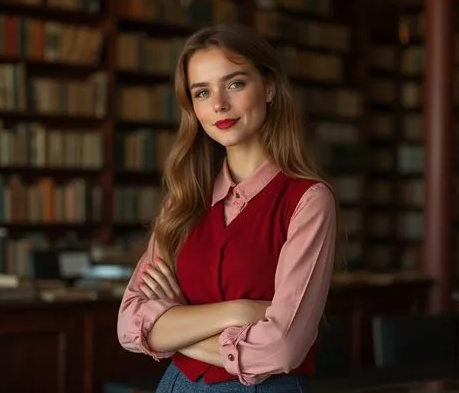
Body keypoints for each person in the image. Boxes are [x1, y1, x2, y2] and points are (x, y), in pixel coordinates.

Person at [117, 23, 339, 393]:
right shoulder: (183, 201)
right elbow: (129, 324)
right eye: (202, 92)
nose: (218, 104)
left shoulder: (308, 200)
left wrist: (172, 330)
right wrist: (238, 311)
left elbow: (281, 348)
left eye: (234, 84)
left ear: (268, 87)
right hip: (176, 386)